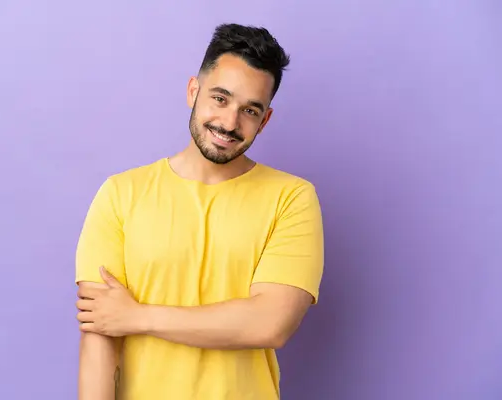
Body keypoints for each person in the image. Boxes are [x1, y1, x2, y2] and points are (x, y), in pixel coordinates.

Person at [74, 23, 324, 400]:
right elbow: (100, 337)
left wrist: (138, 316)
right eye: (220, 99)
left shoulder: (292, 198)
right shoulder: (120, 194)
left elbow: (271, 323)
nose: (229, 123)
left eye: (249, 110)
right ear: (194, 91)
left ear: (265, 119)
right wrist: (118, 318)